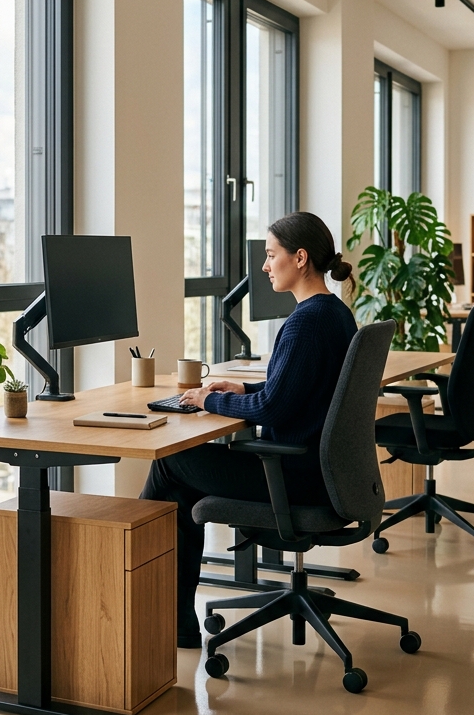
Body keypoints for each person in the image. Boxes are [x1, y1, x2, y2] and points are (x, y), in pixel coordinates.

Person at [140, 212, 358, 648]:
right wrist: (243, 386)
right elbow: (299, 390)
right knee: (180, 476)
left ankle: (159, 613)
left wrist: (209, 399)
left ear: (299, 258)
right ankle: (171, 615)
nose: (264, 265)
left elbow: (273, 408)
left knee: (170, 468)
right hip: (326, 472)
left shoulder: (304, 322)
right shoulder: (333, 313)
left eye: (270, 254)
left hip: (296, 477)